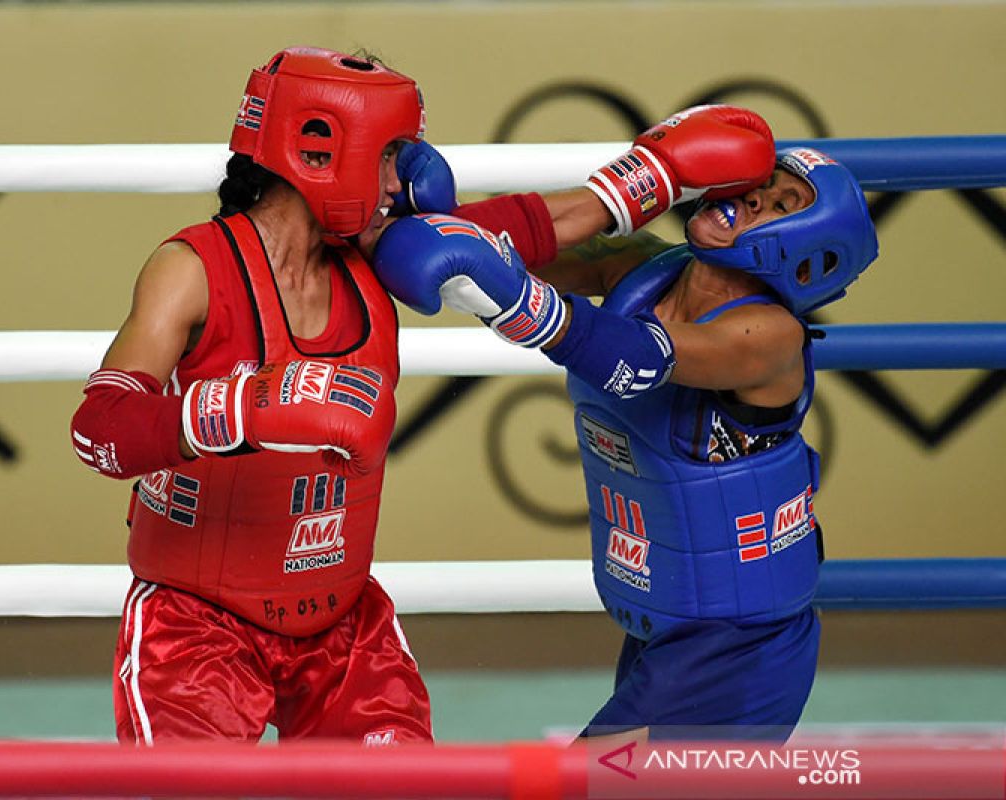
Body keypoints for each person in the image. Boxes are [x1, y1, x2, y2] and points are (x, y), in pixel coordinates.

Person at [373, 107, 879, 742]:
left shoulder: (767, 338)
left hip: (736, 650)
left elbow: (635, 358)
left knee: (579, 787)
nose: (752, 195)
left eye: (781, 203)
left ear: (805, 249)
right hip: (674, 629)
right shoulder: (644, 268)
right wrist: (427, 219)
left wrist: (512, 297)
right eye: (764, 180)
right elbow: (510, 251)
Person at [68, 46, 461, 745]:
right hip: (196, 628)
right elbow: (99, 429)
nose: (408, 180)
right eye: (394, 153)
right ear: (322, 152)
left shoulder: (382, 253)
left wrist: (646, 183)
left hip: (343, 627)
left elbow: (526, 232)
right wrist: (239, 409)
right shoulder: (192, 270)